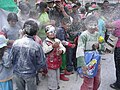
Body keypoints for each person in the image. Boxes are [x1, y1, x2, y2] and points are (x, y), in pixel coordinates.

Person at [9, 20, 47, 90]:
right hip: (31, 74)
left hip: (17, 73)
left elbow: (10, 58)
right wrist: (36, 69)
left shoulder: (16, 43)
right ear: (36, 32)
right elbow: (42, 62)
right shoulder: (36, 46)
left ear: (24, 30)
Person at [76, 15, 101, 90]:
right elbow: (80, 49)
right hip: (87, 61)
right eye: (90, 24)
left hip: (96, 60)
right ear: (86, 25)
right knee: (88, 83)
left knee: (97, 80)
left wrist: (99, 46)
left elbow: (103, 47)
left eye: (95, 24)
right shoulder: (84, 35)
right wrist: (83, 64)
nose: (93, 27)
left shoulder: (97, 34)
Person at [42, 25, 66, 90]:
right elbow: (44, 50)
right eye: (51, 32)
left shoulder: (57, 40)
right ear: (47, 33)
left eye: (54, 32)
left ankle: (57, 85)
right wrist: (52, 46)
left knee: (57, 75)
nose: (53, 33)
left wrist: (62, 51)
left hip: (57, 61)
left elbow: (63, 47)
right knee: (52, 76)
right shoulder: (45, 42)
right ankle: (52, 87)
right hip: (50, 62)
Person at [56, 17, 75, 81]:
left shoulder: (64, 30)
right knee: (62, 62)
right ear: (63, 24)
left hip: (64, 49)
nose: (68, 27)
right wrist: (70, 44)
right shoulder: (60, 30)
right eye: (67, 25)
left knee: (64, 60)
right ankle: (61, 75)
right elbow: (62, 41)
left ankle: (64, 71)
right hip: (60, 49)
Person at [109, 20, 120, 90]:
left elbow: (108, 25)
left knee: (118, 66)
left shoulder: (118, 22)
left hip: (119, 48)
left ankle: (118, 84)